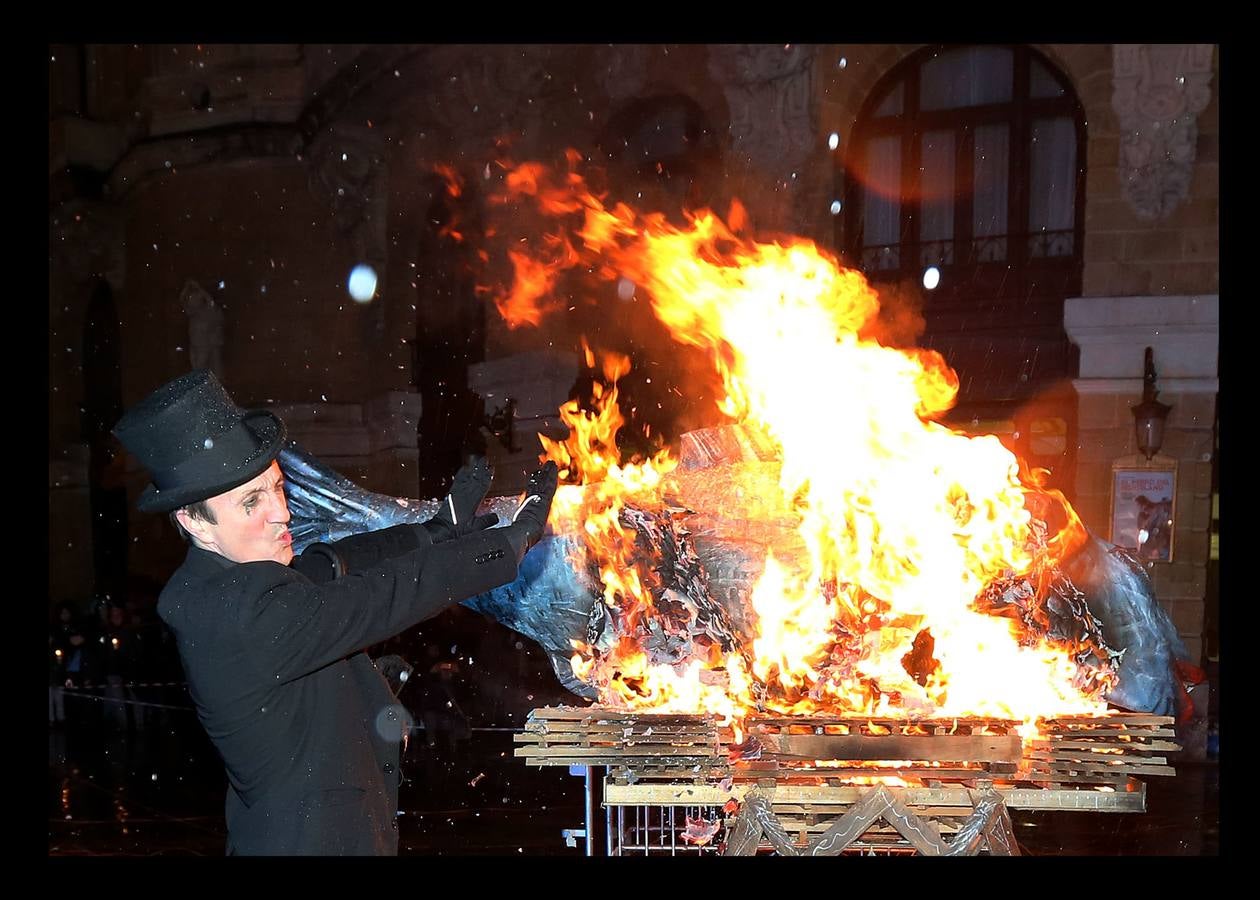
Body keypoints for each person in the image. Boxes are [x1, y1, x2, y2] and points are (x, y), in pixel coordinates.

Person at [112, 369, 557, 855]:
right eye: (251, 502)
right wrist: (511, 542)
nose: (281, 512)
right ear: (195, 522)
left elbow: (335, 563)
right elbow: (379, 597)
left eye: (277, 487)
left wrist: (437, 529)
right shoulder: (242, 612)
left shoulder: (225, 582)